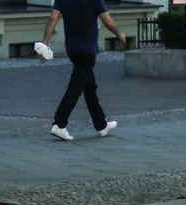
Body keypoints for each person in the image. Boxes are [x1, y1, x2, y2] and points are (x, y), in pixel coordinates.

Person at [40, 0, 128, 142]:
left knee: (89, 88)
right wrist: (119, 33)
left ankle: (101, 124)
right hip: (87, 50)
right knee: (76, 87)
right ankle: (59, 124)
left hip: (72, 49)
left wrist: (44, 44)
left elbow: (53, 18)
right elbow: (107, 19)